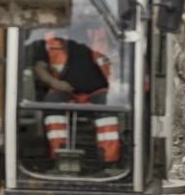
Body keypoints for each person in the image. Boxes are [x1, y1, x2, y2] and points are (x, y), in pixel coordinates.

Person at [33, 28, 121, 164]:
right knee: (51, 102)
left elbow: (121, 58)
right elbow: (40, 67)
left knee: (109, 105)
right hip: (64, 91)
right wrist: (55, 83)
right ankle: (59, 158)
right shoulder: (52, 37)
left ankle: (109, 162)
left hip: (99, 91)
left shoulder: (105, 33)